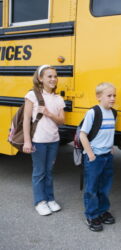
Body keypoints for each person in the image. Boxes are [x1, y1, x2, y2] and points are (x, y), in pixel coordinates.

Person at [23, 65, 65, 216]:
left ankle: (50, 199)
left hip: (53, 140)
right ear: (40, 78)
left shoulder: (58, 98)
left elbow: (61, 120)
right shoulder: (32, 95)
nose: (53, 79)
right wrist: (27, 141)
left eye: (55, 76)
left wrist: (48, 113)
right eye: (49, 76)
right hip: (38, 141)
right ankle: (40, 202)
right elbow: (26, 119)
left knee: (49, 171)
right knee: (39, 172)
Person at [79, 82, 117, 232]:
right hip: (95, 157)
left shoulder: (114, 113)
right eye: (109, 96)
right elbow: (83, 135)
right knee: (92, 188)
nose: (113, 98)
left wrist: (111, 147)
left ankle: (102, 211)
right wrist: (91, 154)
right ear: (99, 97)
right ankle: (92, 215)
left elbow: (109, 133)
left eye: (114, 95)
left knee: (104, 187)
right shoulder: (93, 112)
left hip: (107, 156)